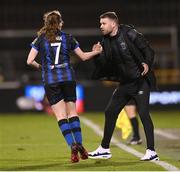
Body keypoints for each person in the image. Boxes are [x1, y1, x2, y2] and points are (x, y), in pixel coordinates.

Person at [27, 10, 102, 163]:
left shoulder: (40, 39)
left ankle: (72, 146)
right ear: (60, 23)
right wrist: (95, 52)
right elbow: (82, 56)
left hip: (50, 80)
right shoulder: (68, 38)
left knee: (61, 116)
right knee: (72, 113)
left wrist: (42, 68)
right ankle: (80, 144)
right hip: (67, 77)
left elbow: (29, 61)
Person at [88, 11, 159, 161]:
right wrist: (96, 55)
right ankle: (105, 148)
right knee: (110, 112)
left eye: (103, 23)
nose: (101, 26)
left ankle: (151, 151)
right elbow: (105, 65)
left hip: (140, 81)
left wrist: (147, 62)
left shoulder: (130, 33)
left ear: (113, 24)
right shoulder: (105, 41)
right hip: (125, 84)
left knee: (144, 114)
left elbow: (148, 51)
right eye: (100, 23)